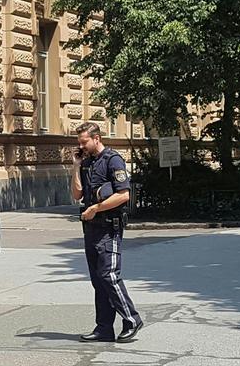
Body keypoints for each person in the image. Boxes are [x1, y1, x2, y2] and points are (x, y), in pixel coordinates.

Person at [71, 122, 143, 343]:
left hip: (108, 227)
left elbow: (123, 195)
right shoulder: (86, 163)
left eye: (84, 142)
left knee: (109, 276)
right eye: (79, 143)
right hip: (91, 228)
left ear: (97, 138)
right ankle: (104, 328)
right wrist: (75, 166)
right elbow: (76, 195)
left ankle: (132, 319)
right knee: (98, 280)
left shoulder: (113, 160)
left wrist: (96, 208)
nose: (81, 146)